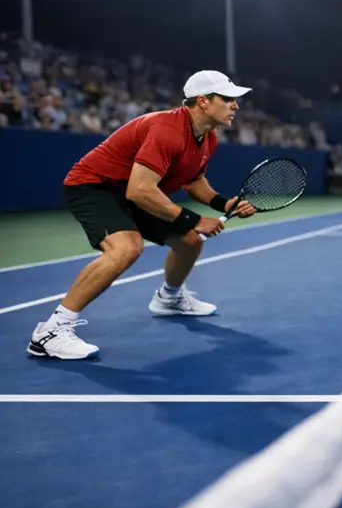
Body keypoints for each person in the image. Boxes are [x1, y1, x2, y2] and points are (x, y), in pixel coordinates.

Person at [27, 70, 258, 361]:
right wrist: (194, 220)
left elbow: (192, 181)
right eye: (228, 99)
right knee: (126, 248)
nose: (236, 106)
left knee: (190, 241)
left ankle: (169, 298)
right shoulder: (168, 130)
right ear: (203, 101)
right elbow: (139, 190)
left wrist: (224, 205)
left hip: (132, 192)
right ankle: (51, 331)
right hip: (95, 186)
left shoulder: (207, 137)